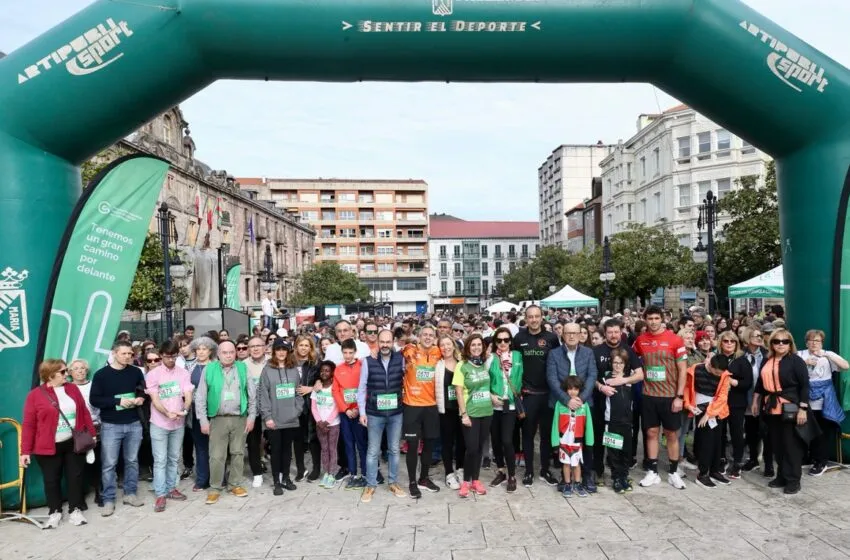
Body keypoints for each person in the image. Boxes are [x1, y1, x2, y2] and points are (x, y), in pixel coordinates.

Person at [21, 359, 97, 528]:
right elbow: (29, 424)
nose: (67, 374)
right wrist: (24, 451)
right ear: (50, 375)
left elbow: (84, 412)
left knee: (75, 477)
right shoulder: (35, 395)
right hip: (47, 446)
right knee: (51, 480)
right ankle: (54, 511)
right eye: (63, 372)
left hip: (73, 442)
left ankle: (75, 510)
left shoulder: (72, 388)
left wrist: (91, 435)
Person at [631, 306, 688, 490]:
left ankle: (673, 472)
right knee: (651, 433)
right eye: (650, 318)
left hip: (670, 396)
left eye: (656, 318)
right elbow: (630, 359)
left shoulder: (675, 339)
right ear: (645, 320)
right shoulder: (640, 340)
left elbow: (683, 370)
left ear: (662, 319)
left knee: (672, 434)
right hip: (649, 395)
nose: (653, 321)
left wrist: (679, 396)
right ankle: (653, 472)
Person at [195, 339, 258, 504]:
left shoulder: (243, 368)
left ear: (235, 353)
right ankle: (215, 488)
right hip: (218, 419)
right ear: (218, 354)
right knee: (216, 455)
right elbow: (200, 397)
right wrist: (203, 420)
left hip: (240, 418)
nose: (229, 355)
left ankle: (235, 484)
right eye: (225, 352)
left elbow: (252, 394)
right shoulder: (209, 369)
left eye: (231, 352)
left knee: (237, 453)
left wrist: (251, 417)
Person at [89, 340, 146, 516]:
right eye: (124, 353)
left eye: (130, 354)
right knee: (109, 464)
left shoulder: (136, 372)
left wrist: (140, 399)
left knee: (132, 461)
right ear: (114, 353)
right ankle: (108, 499)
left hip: (134, 423)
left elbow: (142, 390)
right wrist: (118, 401)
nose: (128, 356)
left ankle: (130, 493)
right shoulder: (101, 375)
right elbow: (95, 400)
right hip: (111, 425)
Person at [751, 329, 810, 495]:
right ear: (772, 344)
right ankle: (781, 476)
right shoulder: (767, 360)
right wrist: (755, 400)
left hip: (790, 406)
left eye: (785, 341)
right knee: (777, 444)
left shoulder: (796, 361)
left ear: (790, 344)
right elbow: (760, 385)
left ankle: (793, 480)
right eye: (777, 341)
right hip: (771, 408)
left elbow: (805, 385)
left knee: (791, 445)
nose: (781, 344)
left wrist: (803, 409)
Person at [512, 305, 560, 488]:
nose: (533, 320)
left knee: (547, 435)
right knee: (528, 435)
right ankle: (529, 471)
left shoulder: (552, 338)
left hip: (548, 394)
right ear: (526, 318)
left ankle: (545, 470)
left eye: (537, 316)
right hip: (528, 394)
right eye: (530, 317)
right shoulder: (519, 338)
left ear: (542, 318)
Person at [591, 318, 643, 486]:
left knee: (620, 441)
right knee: (599, 439)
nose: (613, 335)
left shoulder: (628, 350)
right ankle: (598, 472)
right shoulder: (596, 351)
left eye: (616, 332)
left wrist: (623, 380)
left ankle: (619, 473)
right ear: (604, 333)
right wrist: (601, 387)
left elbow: (640, 374)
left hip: (622, 405)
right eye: (610, 332)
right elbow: (589, 376)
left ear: (621, 332)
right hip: (599, 402)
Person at [358, 329, 408, 502]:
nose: (385, 345)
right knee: (373, 451)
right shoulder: (368, 361)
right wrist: (362, 412)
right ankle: (370, 485)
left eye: (388, 342)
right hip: (374, 414)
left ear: (393, 342)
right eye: (382, 342)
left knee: (394, 449)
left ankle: (393, 482)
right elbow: (362, 388)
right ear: (377, 342)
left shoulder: (401, 359)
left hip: (395, 413)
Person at [547, 322, 598, 491]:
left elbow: (592, 376)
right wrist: (566, 400)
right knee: (564, 442)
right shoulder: (554, 354)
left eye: (574, 333)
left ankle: (587, 475)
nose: (571, 336)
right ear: (562, 334)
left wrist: (581, 399)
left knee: (586, 441)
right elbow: (552, 379)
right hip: (561, 404)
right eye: (567, 333)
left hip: (583, 404)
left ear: (580, 335)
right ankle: (566, 477)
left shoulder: (588, 353)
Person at [145, 340, 193, 512]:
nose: (170, 359)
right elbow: (155, 399)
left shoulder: (183, 373)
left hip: (178, 423)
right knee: (160, 460)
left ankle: (172, 487)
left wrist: (185, 408)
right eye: (167, 356)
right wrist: (166, 413)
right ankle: (160, 494)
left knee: (174, 457)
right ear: (161, 356)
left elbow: (188, 393)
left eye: (174, 356)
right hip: (159, 422)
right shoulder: (153, 374)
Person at [798, 329, 847, 476]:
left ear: (822, 342)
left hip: (823, 400)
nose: (814, 343)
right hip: (804, 399)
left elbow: (845, 366)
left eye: (817, 340)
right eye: (811, 340)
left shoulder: (827, 355)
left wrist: (826, 354)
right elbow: (789, 368)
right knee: (806, 431)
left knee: (822, 432)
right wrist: (805, 363)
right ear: (806, 342)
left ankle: (821, 462)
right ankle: (809, 458)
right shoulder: (800, 354)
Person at [400, 324, 442, 498]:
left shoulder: (437, 352)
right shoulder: (409, 351)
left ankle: (424, 478)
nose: (427, 337)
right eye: (424, 334)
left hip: (431, 406)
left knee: (429, 445)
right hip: (412, 405)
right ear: (418, 336)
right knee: (412, 446)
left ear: (434, 337)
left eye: (430, 335)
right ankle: (411, 481)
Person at [259, 339, 304, 495]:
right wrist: (267, 417)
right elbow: (263, 395)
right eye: (278, 349)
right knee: (276, 451)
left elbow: (299, 393)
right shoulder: (267, 370)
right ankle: (276, 481)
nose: (281, 352)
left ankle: (286, 478)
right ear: (273, 351)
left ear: (288, 351)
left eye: (284, 349)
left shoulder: (293, 370)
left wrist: (297, 410)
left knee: (287, 451)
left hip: (291, 419)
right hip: (274, 420)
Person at [453, 333, 495, 498]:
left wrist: (493, 397)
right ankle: (465, 481)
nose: (476, 347)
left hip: (487, 411)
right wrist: (464, 414)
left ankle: (476, 480)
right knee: (470, 448)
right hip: (470, 412)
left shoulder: (486, 364)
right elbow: (458, 391)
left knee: (478, 448)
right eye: (473, 345)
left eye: (479, 345)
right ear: (468, 347)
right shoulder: (462, 365)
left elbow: (487, 386)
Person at [685, 354, 733, 489]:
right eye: (716, 372)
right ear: (710, 365)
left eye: (721, 373)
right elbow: (688, 388)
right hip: (699, 408)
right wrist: (688, 405)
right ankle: (703, 474)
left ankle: (714, 470)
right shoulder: (695, 369)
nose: (718, 375)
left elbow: (723, 396)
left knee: (718, 441)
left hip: (717, 410)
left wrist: (710, 413)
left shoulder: (724, 375)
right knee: (706, 442)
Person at [488, 326, 523, 493]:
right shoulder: (490, 358)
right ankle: (501, 470)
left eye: (506, 340)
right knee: (495, 439)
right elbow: (484, 379)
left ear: (511, 341)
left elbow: (521, 377)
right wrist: (490, 395)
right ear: (495, 342)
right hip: (494, 404)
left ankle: (512, 475)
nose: (503, 343)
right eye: (499, 340)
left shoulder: (517, 356)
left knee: (507, 440)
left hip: (510, 404)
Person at [737, 326, 773, 477]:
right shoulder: (741, 356)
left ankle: (769, 464)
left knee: (766, 431)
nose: (759, 338)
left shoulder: (767, 354)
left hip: (765, 399)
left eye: (760, 335)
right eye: (755, 336)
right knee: (751, 431)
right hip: (747, 399)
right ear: (747, 338)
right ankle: (753, 459)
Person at [333, 338, 368, 489]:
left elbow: (367, 387)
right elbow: (336, 390)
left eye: (350, 352)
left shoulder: (363, 365)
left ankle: (366, 473)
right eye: (345, 352)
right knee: (348, 444)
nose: (347, 355)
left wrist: (358, 409)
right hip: (345, 413)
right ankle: (353, 473)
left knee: (362, 444)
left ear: (355, 352)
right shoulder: (338, 368)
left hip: (359, 412)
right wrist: (346, 409)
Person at [602, 348, 637, 493]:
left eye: (620, 363)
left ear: (625, 364)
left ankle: (624, 475)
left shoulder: (630, 378)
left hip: (627, 421)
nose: (617, 365)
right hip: (612, 420)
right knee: (614, 451)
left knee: (626, 450)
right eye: (615, 362)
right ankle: (616, 477)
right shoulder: (606, 377)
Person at [551, 376, 593, 498]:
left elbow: (588, 425)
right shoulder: (560, 404)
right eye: (569, 389)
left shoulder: (584, 406)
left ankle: (578, 484)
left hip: (577, 440)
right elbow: (555, 423)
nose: (572, 391)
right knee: (566, 463)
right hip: (564, 440)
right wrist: (555, 441)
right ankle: (568, 484)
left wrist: (589, 440)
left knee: (576, 463)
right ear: (565, 389)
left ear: (580, 390)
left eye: (575, 389)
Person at [68, 359, 102, 507]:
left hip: (97, 427)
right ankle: (79, 497)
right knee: (78, 465)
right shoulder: (67, 388)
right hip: (78, 431)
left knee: (98, 462)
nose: (80, 371)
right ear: (70, 372)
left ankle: (99, 492)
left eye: (82, 368)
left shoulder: (94, 385)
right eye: (76, 368)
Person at [435, 334, 465, 490]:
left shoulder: (462, 363)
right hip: (445, 410)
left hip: (461, 409)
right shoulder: (438, 365)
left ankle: (460, 469)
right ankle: (448, 473)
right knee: (447, 442)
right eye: (442, 345)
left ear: (453, 345)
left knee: (462, 441)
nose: (446, 347)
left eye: (448, 344)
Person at [293, 334, 322, 482]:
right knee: (297, 438)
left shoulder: (316, 363)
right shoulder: (289, 362)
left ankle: (316, 468)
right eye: (301, 345)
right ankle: (300, 468)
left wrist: (310, 388)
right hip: (293, 405)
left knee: (313, 438)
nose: (303, 348)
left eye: (307, 345)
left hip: (311, 405)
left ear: (311, 347)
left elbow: (322, 381)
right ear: (296, 346)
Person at [188, 336, 216, 491]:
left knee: (217, 446)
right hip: (196, 412)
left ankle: (218, 477)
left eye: (204, 349)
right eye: (198, 349)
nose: (201, 352)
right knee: (200, 447)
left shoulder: (216, 366)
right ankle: (202, 479)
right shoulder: (190, 367)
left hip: (214, 411)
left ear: (210, 351)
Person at [243, 336, 267, 488]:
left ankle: (279, 472)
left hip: (271, 409)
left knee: (275, 441)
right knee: (253, 442)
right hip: (252, 410)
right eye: (252, 346)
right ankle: (257, 473)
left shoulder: (272, 363)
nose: (256, 349)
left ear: (265, 347)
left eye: (259, 345)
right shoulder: (242, 365)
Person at [312, 361, 341, 489]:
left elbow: (336, 406)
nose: (324, 373)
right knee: (324, 449)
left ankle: (332, 474)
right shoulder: (317, 388)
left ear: (332, 373)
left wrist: (327, 421)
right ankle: (326, 472)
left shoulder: (334, 387)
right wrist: (319, 421)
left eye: (327, 370)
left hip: (333, 424)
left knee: (332, 448)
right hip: (320, 425)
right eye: (322, 370)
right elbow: (314, 407)